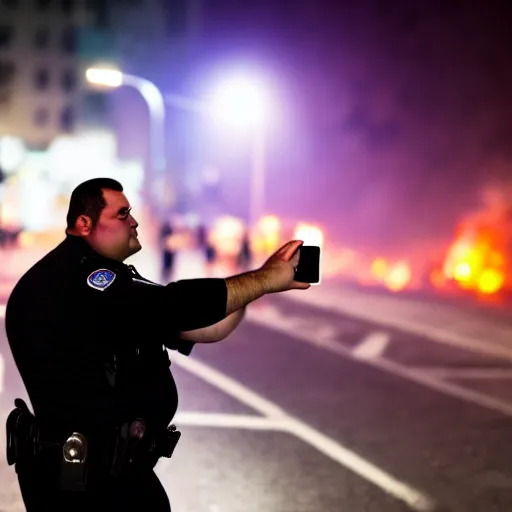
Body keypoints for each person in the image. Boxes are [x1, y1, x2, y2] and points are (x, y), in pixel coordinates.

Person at [5, 177, 309, 511]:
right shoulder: (81, 282)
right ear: (84, 224)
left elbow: (205, 327)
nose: (133, 221)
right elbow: (174, 305)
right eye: (122, 215)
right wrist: (262, 279)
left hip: (105, 474)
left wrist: (258, 285)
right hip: (86, 484)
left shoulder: (104, 285)